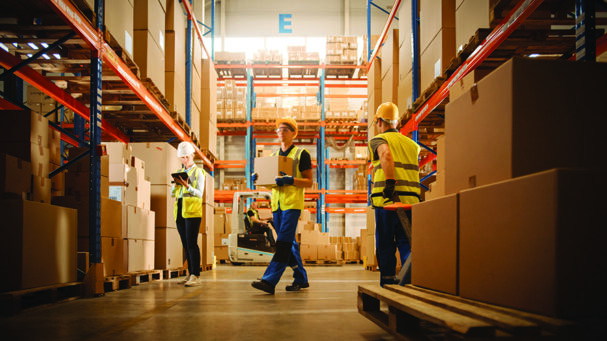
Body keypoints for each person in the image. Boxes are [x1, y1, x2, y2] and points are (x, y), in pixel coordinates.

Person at [251, 117, 313, 294]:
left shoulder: (302, 154)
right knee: (290, 244)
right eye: (279, 129)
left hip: (292, 205)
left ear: (294, 133)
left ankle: (269, 281)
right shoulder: (273, 156)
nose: (281, 132)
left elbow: (309, 182)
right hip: (277, 206)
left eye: (285, 129)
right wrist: (259, 179)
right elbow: (272, 183)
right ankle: (301, 278)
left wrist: (291, 180)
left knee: (283, 243)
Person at [368, 102, 421, 287]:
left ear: (380, 121)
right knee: (406, 243)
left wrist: (390, 183)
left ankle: (388, 282)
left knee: (385, 243)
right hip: (410, 202)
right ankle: (408, 282)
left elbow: (386, 156)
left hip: (388, 201)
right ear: (396, 122)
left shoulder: (378, 140)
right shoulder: (413, 145)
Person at [172, 141, 205, 287]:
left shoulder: (198, 172)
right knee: (185, 244)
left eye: (187, 157)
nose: (185, 160)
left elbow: (200, 194)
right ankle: (190, 273)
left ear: (192, 155)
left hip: (192, 212)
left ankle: (196, 275)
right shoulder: (180, 172)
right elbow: (176, 194)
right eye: (182, 157)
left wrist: (187, 186)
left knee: (192, 243)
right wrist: (175, 186)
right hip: (180, 211)